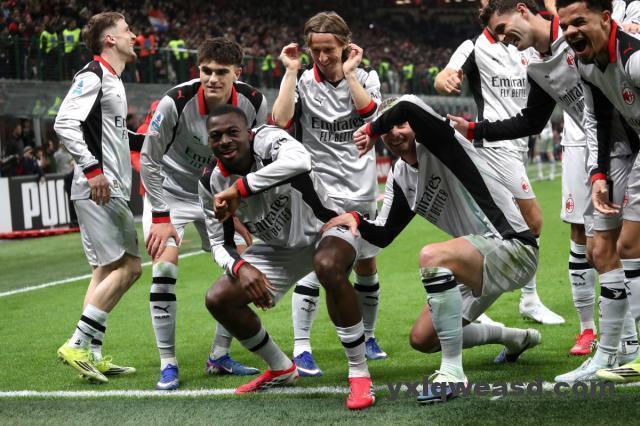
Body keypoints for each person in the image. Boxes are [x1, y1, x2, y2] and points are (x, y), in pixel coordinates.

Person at [447, 0, 639, 361]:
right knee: (600, 251)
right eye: (496, 34)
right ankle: (621, 347)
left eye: (503, 28)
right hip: (600, 152)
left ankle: (623, 349)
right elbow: (531, 121)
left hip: (623, 147)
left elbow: (612, 65)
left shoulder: (578, 38)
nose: (502, 38)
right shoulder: (537, 65)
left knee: (622, 248)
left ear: (522, 10)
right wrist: (475, 129)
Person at [322, 95, 540, 402]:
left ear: (414, 125)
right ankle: (514, 338)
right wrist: (356, 219)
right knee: (423, 339)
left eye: (400, 125)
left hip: (513, 246)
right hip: (472, 259)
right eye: (388, 130)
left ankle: (452, 373)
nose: (394, 133)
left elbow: (409, 106)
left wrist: (372, 128)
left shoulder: (439, 142)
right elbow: (384, 234)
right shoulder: (400, 175)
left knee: (432, 256)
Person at [200, 105, 375, 410]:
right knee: (218, 298)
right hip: (278, 248)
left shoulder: (268, 140)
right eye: (216, 136)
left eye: (232, 132)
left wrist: (241, 189)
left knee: (327, 266)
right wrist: (240, 267)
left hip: (326, 228)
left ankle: (359, 373)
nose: (224, 141)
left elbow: (301, 161)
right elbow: (218, 242)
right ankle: (281, 368)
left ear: (248, 133)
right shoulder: (211, 182)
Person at [140, 37, 268, 390]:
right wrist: (161, 217)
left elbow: (252, 157)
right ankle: (168, 363)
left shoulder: (254, 102)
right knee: (164, 268)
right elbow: (149, 159)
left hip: (216, 193)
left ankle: (219, 356)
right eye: (206, 71)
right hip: (170, 193)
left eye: (221, 72)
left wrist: (239, 204)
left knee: (240, 266)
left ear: (237, 73)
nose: (212, 78)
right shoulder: (175, 102)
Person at [434, 4, 564, 325]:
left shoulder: (524, 45)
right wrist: (445, 79)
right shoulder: (473, 46)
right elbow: (443, 77)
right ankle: (527, 299)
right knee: (531, 221)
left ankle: (479, 297)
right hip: (492, 145)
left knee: (500, 227)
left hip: (518, 142)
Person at [271, 11, 385, 376]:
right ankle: (301, 347)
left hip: (362, 188)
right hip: (319, 192)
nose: (322, 57)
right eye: (315, 50)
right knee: (314, 263)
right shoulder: (303, 80)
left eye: (329, 49)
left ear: (345, 45)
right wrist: (291, 71)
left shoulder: (366, 76)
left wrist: (349, 72)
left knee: (367, 263)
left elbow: (368, 113)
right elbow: (280, 120)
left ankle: (368, 336)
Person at [54, 12, 141, 384]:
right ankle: (76, 344)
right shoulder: (93, 75)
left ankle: (92, 353)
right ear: (110, 39)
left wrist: (149, 140)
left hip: (105, 186)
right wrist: (91, 169)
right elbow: (64, 122)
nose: (134, 36)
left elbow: (115, 136)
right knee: (130, 268)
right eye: (127, 31)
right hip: (99, 188)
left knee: (104, 271)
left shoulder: (113, 79)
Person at [555, 0, 640, 382]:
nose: (570, 32)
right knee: (608, 248)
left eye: (579, 21)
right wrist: (598, 173)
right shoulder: (585, 63)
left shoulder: (634, 59)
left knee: (630, 246)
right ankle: (610, 354)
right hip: (625, 152)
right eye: (565, 25)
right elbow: (598, 118)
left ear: (606, 19)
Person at [54, 141, 78, 227]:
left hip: (72, 177)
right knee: (71, 200)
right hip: (67, 177)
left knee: (75, 200)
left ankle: (75, 220)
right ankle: (73, 220)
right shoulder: (58, 154)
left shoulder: (69, 152)